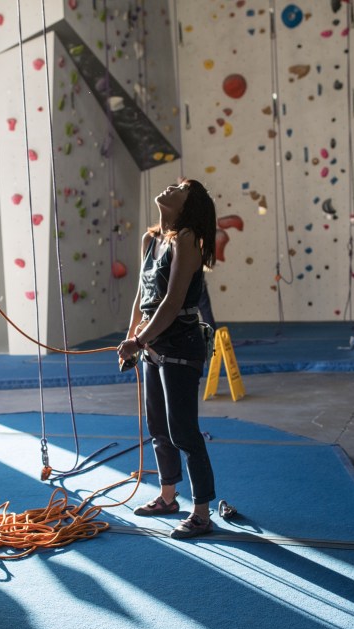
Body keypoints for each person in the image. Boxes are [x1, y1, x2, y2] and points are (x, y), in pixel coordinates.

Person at [117, 178, 217, 540]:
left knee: (183, 432)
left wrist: (139, 339)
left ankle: (203, 513)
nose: (170, 188)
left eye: (180, 188)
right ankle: (168, 497)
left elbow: (173, 303)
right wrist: (132, 338)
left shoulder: (187, 239)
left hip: (180, 344)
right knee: (158, 428)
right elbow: (142, 297)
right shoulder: (151, 239)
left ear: (187, 204)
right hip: (152, 345)